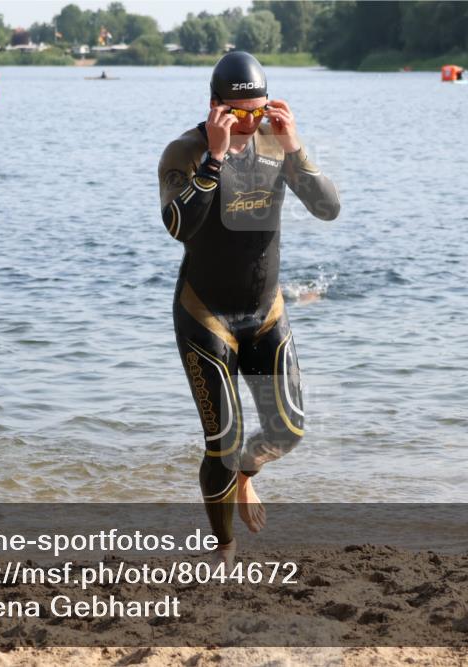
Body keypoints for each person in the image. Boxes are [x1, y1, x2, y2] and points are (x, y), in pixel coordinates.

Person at [156, 51, 340, 567]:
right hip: (205, 315)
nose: (246, 125)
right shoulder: (186, 151)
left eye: (256, 114)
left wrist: (294, 145)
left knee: (288, 431)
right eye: (235, 114)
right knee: (223, 439)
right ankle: (224, 549)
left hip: (264, 312)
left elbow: (328, 208)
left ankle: (245, 478)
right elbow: (177, 226)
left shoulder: (275, 146)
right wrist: (215, 159)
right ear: (214, 107)